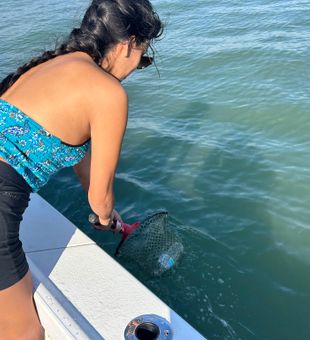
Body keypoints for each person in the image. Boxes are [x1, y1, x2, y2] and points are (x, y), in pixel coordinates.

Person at [0, 0, 163, 338]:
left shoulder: (54, 65)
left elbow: (85, 169)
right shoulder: (108, 92)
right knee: (25, 332)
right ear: (128, 44)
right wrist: (104, 218)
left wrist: (108, 213)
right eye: (143, 55)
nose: (136, 67)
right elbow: (99, 198)